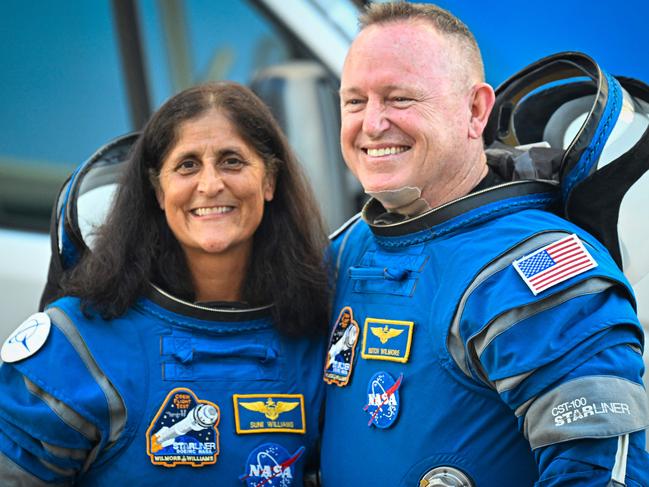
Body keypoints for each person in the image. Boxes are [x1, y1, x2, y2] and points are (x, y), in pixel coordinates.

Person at [320, 3, 649, 486]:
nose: (371, 124)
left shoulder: (535, 266)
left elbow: (599, 474)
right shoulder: (351, 245)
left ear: (476, 110)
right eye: (354, 101)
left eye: (399, 99)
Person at [0, 82, 329, 486]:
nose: (210, 185)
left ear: (269, 181)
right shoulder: (77, 346)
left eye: (232, 161)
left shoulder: (313, 337)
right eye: (187, 165)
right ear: (158, 190)